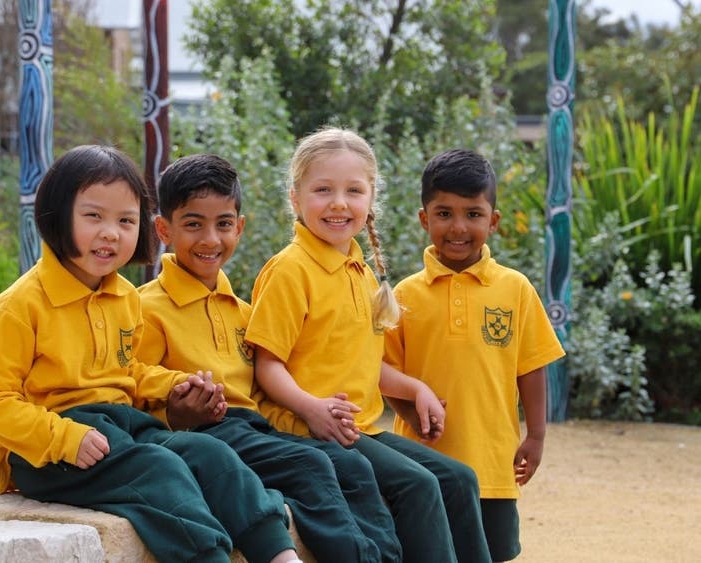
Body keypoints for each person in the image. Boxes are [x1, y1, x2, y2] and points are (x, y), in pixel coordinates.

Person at [0, 145, 303, 563]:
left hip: (120, 425)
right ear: (55, 216)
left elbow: (129, 370)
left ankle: (278, 554)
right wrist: (63, 438)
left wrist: (175, 383)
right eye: (94, 216)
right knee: (158, 470)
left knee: (210, 452)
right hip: (46, 451)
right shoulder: (22, 304)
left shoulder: (123, 296)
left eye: (126, 221)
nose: (112, 233)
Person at [136, 153, 401, 562]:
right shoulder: (146, 308)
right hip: (204, 437)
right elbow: (131, 377)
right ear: (163, 229)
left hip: (255, 431)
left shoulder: (241, 312)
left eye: (223, 224)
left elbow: (261, 390)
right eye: (193, 224)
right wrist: (176, 390)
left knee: (350, 466)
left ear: (239, 228)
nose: (210, 239)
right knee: (310, 465)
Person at [244, 127, 493, 563]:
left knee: (458, 478)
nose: (339, 203)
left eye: (353, 191)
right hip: (307, 430)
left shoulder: (357, 268)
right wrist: (310, 407)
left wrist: (415, 389)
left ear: (370, 198)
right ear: (296, 199)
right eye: (323, 189)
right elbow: (268, 366)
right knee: (418, 485)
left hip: (359, 429)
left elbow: (362, 360)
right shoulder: (290, 271)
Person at [383, 148, 566, 562]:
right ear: (424, 219)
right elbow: (383, 371)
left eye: (473, 214)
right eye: (444, 214)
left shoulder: (515, 289)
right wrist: (411, 414)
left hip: (493, 467)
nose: (459, 227)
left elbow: (532, 368)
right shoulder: (404, 296)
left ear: (493, 221)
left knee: (492, 554)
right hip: (421, 470)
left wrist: (535, 436)